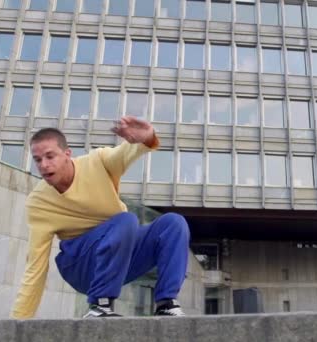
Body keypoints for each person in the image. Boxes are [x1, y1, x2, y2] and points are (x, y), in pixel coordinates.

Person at [11, 116, 190, 318]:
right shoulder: (39, 202)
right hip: (81, 266)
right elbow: (36, 266)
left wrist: (146, 138)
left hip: (120, 257)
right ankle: (100, 305)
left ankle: (166, 303)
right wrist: (17, 322)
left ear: (67, 154)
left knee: (174, 223)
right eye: (37, 159)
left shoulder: (97, 162)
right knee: (126, 220)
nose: (43, 165)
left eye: (50, 156)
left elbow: (123, 154)